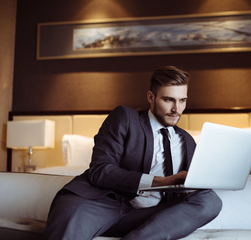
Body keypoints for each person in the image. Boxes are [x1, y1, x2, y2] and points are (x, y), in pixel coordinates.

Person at [42, 66, 222, 240]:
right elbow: (101, 170)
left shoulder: (187, 141)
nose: (177, 109)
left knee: (210, 201)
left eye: (182, 100)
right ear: (151, 97)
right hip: (97, 204)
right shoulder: (126, 118)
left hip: (145, 216)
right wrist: (162, 181)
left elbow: (192, 186)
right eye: (168, 100)